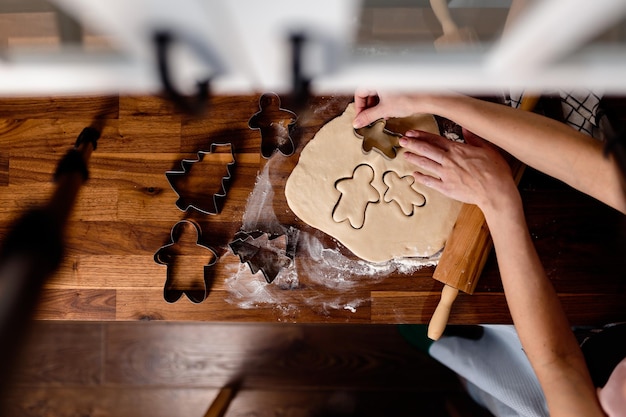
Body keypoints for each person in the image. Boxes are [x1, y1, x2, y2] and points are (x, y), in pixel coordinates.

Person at [352, 90, 626, 416]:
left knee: (490, 384)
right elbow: (605, 177)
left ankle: (465, 383)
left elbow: (557, 363)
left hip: (557, 382)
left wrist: (498, 200)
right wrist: (429, 99)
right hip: (608, 334)